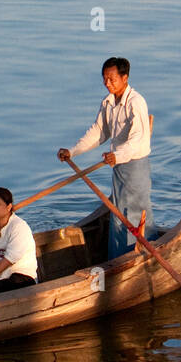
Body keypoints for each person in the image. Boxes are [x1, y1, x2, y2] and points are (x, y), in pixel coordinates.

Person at [58, 57, 153, 259]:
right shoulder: (108, 103)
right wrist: (72, 151)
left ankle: (140, 254)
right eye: (104, 79)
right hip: (118, 167)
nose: (107, 83)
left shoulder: (136, 103)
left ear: (125, 78)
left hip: (135, 166)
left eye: (112, 79)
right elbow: (98, 132)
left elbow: (137, 139)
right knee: (118, 212)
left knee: (133, 212)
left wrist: (116, 155)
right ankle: (119, 258)